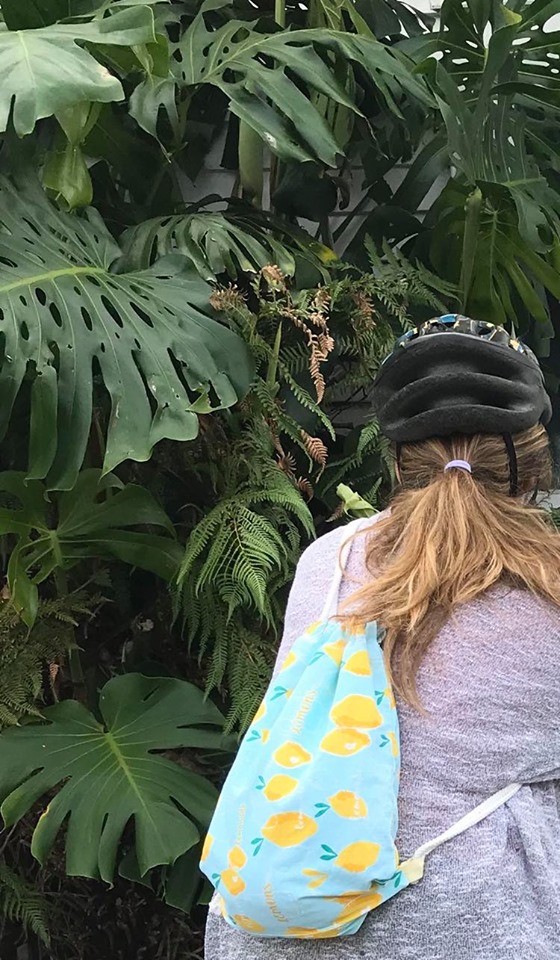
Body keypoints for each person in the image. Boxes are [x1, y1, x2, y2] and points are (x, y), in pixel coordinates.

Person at [205, 315, 560, 960]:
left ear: (397, 459)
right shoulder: (549, 590)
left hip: (272, 925)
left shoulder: (330, 560)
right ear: (533, 463)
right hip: (468, 929)